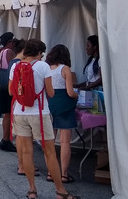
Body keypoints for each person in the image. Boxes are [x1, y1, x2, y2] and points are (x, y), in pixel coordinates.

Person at [10, 39, 77, 199]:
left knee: (27, 152)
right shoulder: (43, 66)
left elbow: (11, 92)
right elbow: (51, 93)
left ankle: (32, 190)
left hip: (20, 112)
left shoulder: (15, 66)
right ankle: (60, 191)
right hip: (39, 113)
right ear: (39, 52)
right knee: (50, 153)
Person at [46, 44, 78, 184]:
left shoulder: (47, 69)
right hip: (65, 106)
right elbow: (70, 92)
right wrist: (77, 96)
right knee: (65, 142)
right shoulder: (65, 69)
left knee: (50, 141)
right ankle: (64, 174)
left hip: (50, 105)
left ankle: (50, 173)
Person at [0, 32, 18, 152]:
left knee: (6, 114)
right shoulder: (8, 52)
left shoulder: (0, 52)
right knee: (8, 114)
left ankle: (5, 139)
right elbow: (12, 66)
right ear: (10, 42)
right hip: (7, 86)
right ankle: (6, 139)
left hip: (2, 85)